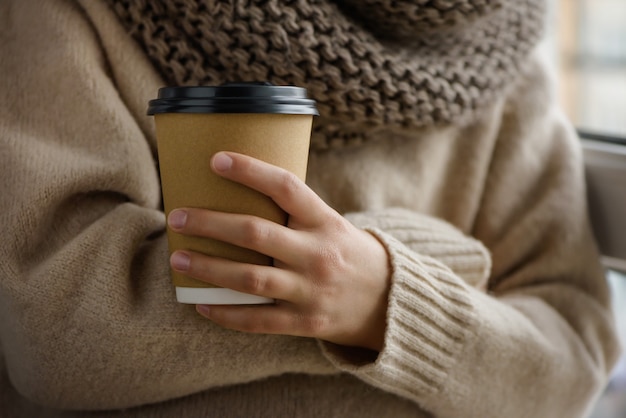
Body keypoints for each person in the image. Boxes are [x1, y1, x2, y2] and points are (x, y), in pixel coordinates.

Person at [0, 0, 621, 417]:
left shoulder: (506, 60)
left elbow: (570, 363)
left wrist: (387, 301)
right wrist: (414, 262)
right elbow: (57, 334)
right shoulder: (68, 15)